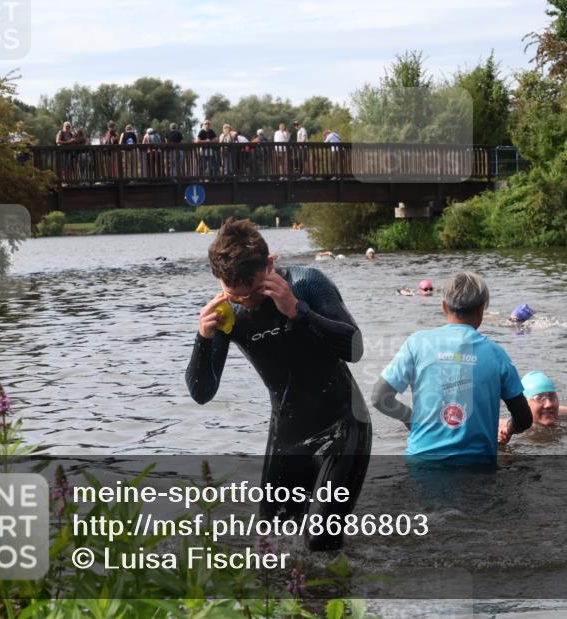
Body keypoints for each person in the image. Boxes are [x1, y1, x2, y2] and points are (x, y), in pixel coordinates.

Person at [186, 219, 371, 550]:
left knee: (320, 541)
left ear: (270, 264)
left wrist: (298, 312)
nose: (249, 302)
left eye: (256, 290)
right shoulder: (228, 313)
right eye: (237, 296)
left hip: (343, 427)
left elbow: (355, 348)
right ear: (219, 279)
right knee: (270, 546)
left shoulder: (306, 284)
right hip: (288, 437)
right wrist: (203, 338)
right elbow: (202, 393)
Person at [371, 272, 532, 463]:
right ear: (482, 309)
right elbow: (524, 419)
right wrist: (510, 428)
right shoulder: (496, 354)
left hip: (422, 466)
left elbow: (379, 397)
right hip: (477, 470)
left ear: (444, 306)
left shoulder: (417, 343)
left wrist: (412, 420)